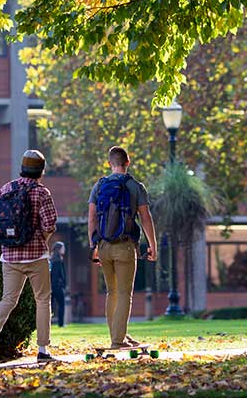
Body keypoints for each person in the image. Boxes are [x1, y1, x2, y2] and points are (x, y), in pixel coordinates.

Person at [0, 150, 59, 364]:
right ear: (41, 171)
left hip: (9, 257)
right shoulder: (41, 192)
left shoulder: (7, 188)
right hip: (36, 255)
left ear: (22, 168)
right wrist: (40, 239)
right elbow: (49, 224)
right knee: (42, 300)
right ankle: (43, 350)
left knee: (9, 299)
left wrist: (10, 240)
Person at [88, 146, 158, 348]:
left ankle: (118, 336)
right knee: (124, 293)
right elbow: (145, 218)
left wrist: (94, 245)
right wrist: (152, 245)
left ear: (110, 163)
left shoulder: (99, 186)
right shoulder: (135, 186)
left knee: (112, 292)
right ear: (128, 162)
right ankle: (118, 340)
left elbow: (92, 218)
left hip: (103, 246)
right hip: (124, 247)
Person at [50, 242, 67, 327]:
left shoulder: (52, 259)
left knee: (51, 305)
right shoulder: (57, 261)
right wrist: (62, 285)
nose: (64, 249)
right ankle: (61, 323)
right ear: (59, 249)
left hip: (52, 286)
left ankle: (48, 323)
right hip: (56, 286)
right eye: (63, 248)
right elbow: (57, 275)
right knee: (61, 305)